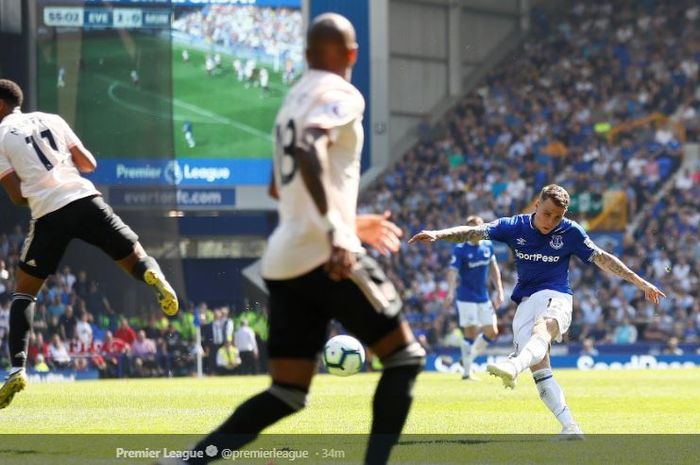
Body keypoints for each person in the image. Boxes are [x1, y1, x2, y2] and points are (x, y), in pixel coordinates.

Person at [166, 14, 424, 465]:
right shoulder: (342, 93)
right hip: (325, 253)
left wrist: (349, 219)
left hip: (284, 259)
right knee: (403, 358)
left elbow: (276, 188)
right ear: (353, 55)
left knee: (287, 391)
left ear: (305, 56)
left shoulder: (290, 102)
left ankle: (187, 461)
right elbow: (309, 147)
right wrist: (337, 228)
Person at [409, 184, 664, 437]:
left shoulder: (570, 232)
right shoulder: (514, 226)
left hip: (557, 295)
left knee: (543, 328)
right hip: (525, 301)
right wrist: (439, 234)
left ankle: (514, 364)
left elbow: (602, 257)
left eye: (558, 217)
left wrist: (640, 282)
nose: (551, 221)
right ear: (536, 205)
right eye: (547, 213)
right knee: (541, 370)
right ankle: (570, 427)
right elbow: (474, 232)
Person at [0, 79, 178, 409]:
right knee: (134, 257)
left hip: (49, 214)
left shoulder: (0, 136)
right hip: (85, 198)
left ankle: (16, 368)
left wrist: (37, 188)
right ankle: (156, 277)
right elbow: (88, 164)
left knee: (24, 292)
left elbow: (16, 196)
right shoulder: (53, 119)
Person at [445, 215, 504, 380]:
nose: (475, 232)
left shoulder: (488, 246)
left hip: (483, 297)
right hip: (466, 298)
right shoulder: (461, 249)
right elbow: (452, 271)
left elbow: (494, 268)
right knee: (470, 333)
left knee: (492, 331)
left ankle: (467, 359)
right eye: (472, 229)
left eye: (478, 229)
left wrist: (499, 290)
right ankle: (466, 373)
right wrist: (450, 291)